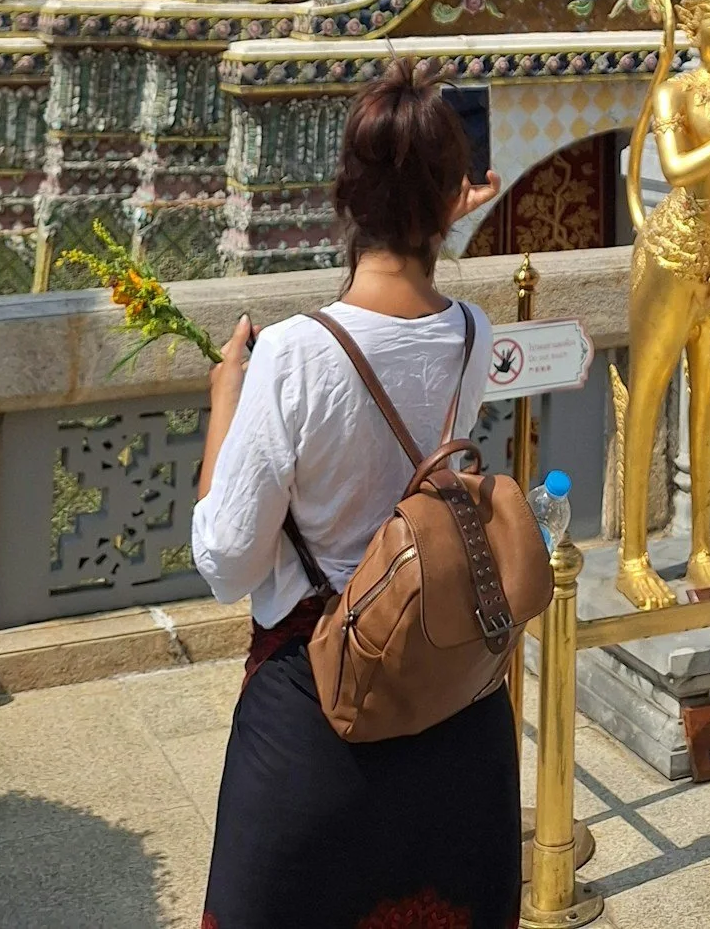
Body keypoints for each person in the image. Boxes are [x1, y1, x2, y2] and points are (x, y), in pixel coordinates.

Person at [191, 58, 508, 929]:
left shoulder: (293, 353)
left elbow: (225, 561)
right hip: (452, 699)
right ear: (451, 200)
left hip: (319, 703)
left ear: (345, 197)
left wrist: (227, 403)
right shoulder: (472, 333)